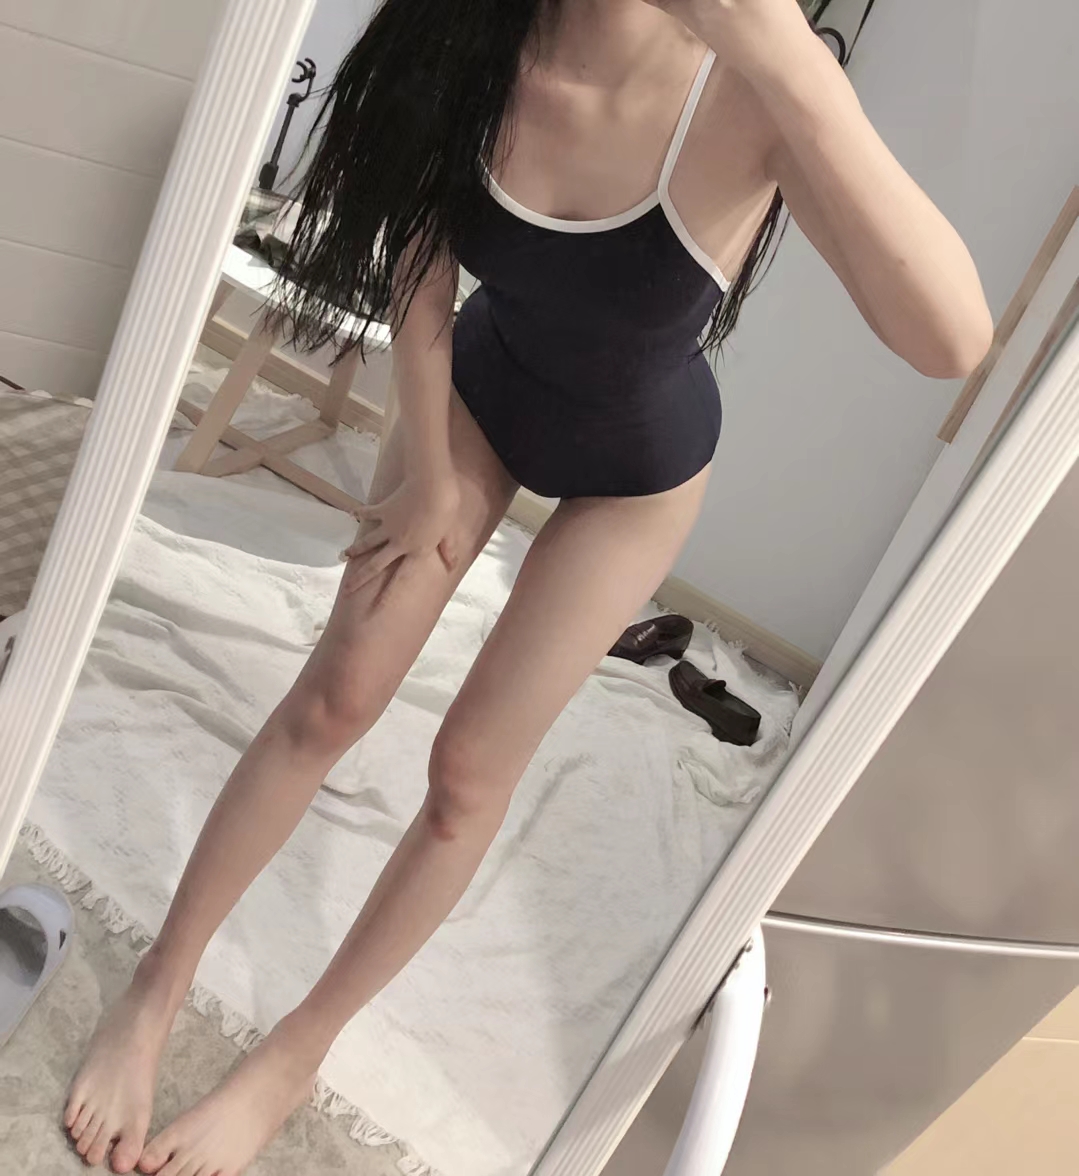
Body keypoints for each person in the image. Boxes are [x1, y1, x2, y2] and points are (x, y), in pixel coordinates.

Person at [63, 1, 993, 1172]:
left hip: (636, 473)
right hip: (478, 398)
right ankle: (155, 988)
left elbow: (950, 342)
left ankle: (297, 1051)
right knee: (337, 694)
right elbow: (421, 263)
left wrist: (781, 54)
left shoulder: (754, 85)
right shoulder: (471, 32)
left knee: (466, 778)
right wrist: (427, 475)